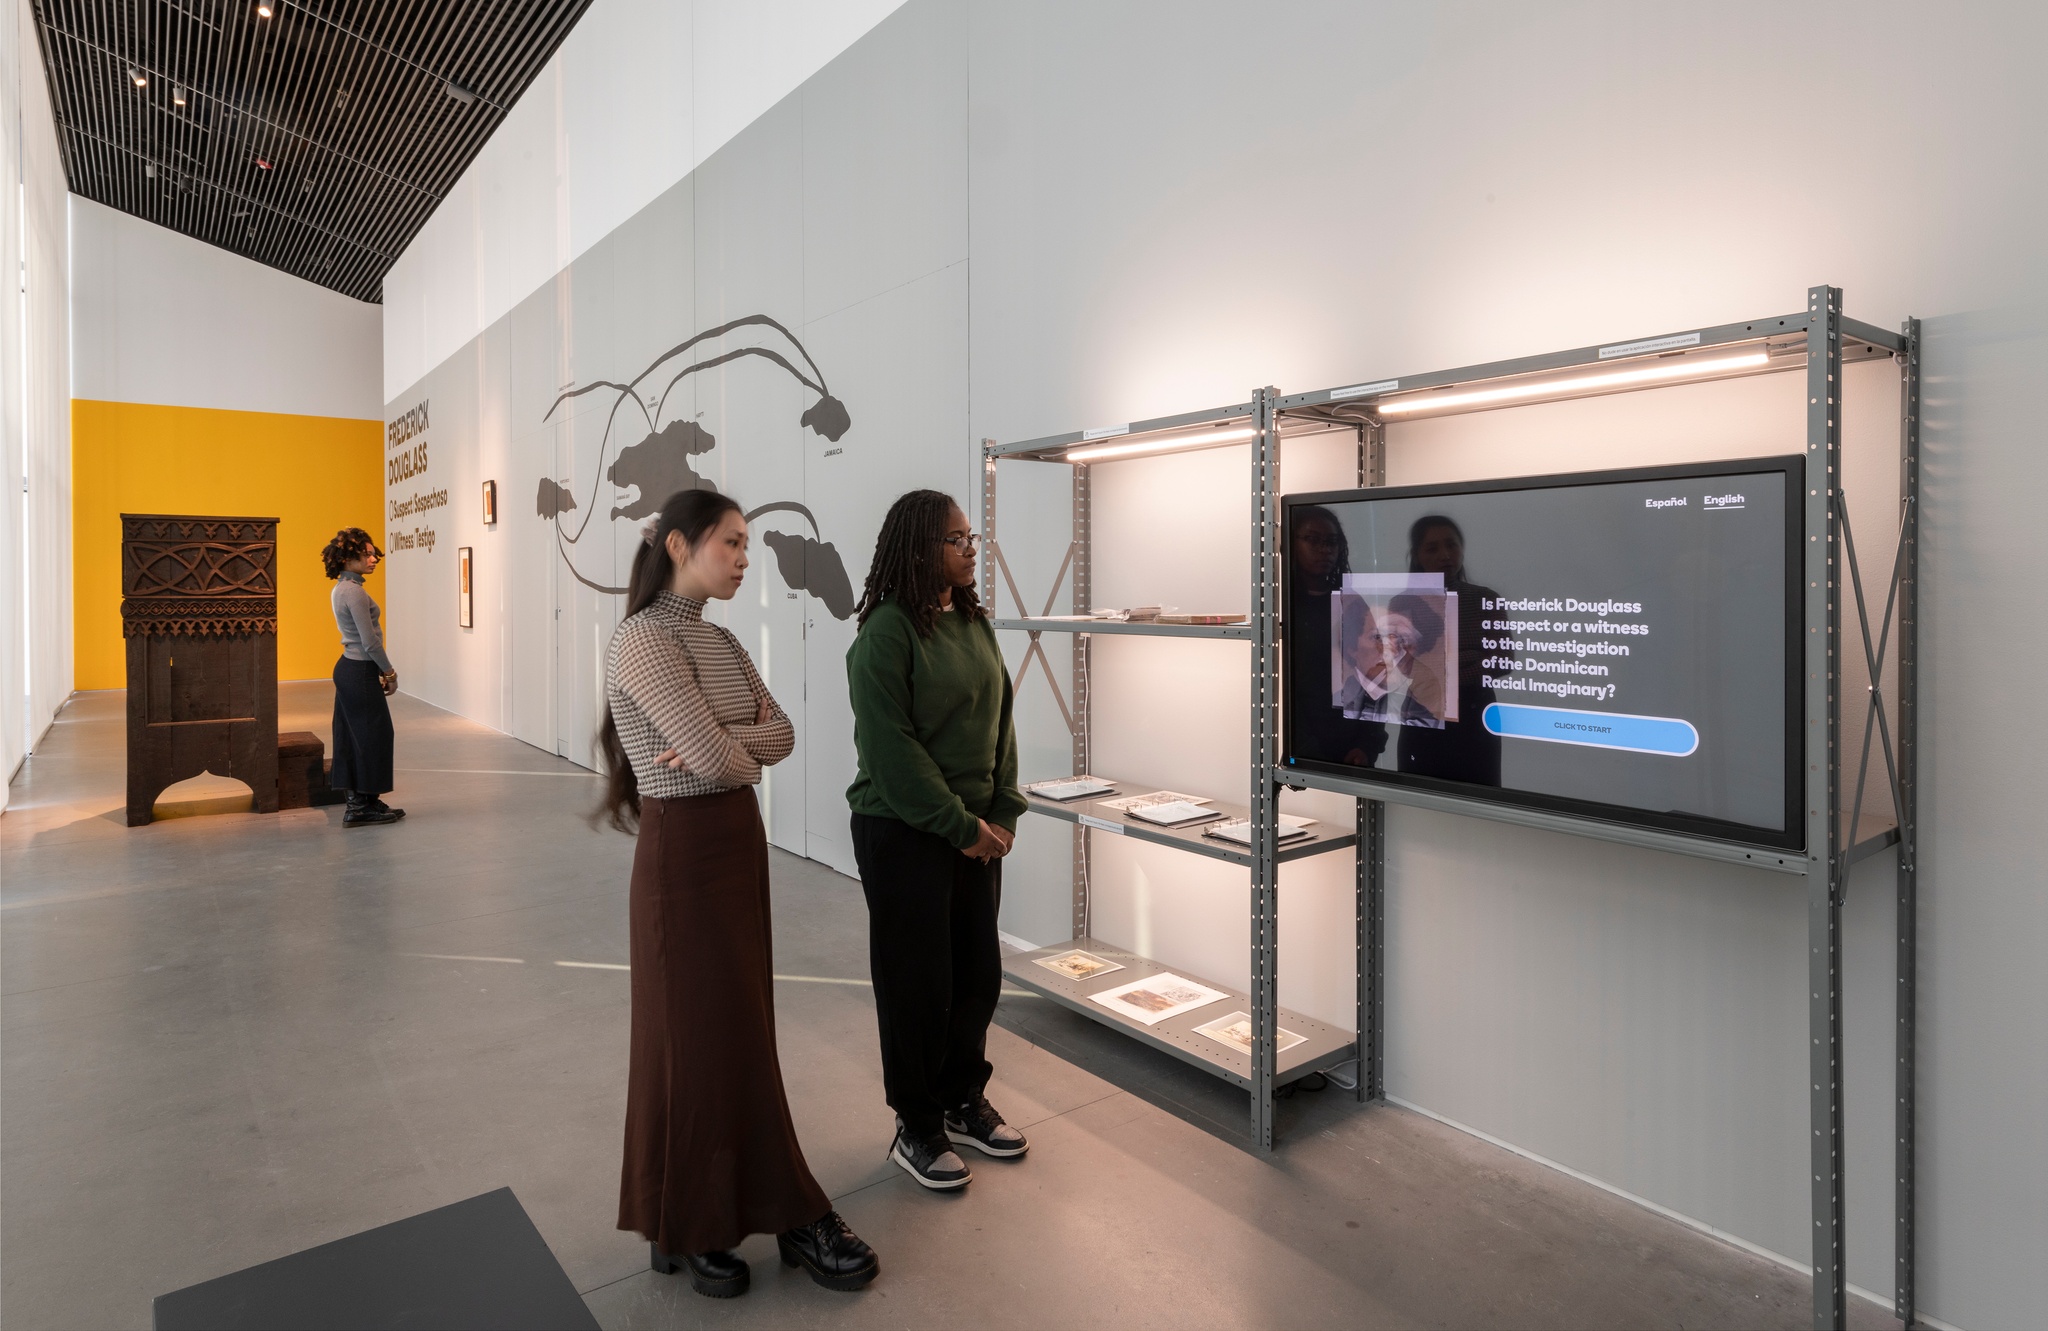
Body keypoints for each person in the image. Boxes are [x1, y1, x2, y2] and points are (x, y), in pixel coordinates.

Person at [598, 488, 877, 1299]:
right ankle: (687, 1219)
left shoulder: (716, 639)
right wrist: (728, 746)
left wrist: (727, 744)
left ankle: (696, 1214)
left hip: (732, 846)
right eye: (732, 542)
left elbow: (780, 733)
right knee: (690, 1041)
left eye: (747, 544)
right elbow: (718, 756)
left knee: (738, 1030)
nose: (745, 558)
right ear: (680, 546)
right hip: (682, 856)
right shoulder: (642, 642)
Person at [845, 489, 1030, 1191]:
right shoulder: (887, 632)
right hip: (904, 831)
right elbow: (893, 753)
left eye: (970, 536)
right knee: (917, 985)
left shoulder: (973, 621)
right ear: (922, 547)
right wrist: (961, 826)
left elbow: (1001, 720)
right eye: (956, 538)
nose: (969, 547)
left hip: (975, 833)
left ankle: (961, 1099)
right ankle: (915, 1126)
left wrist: (1004, 807)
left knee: (976, 976)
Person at [1396, 515, 1502, 784]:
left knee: (1481, 801)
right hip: (1423, 715)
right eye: (1432, 548)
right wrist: (1469, 658)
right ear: (1417, 555)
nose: (1445, 555)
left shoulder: (1485, 598)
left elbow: (1501, 661)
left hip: (1474, 715)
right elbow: (1404, 666)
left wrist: (1439, 670)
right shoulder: (1403, 603)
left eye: (1451, 546)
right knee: (1416, 798)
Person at [322, 528, 405, 827]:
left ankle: (365, 800)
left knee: (354, 737)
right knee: (374, 736)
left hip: (351, 668)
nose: (373, 558)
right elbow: (369, 642)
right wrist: (389, 672)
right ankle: (359, 806)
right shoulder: (352, 591)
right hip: (359, 670)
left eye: (373, 553)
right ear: (347, 558)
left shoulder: (344, 588)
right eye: (366, 554)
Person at [1291, 506, 1385, 769]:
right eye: (1312, 539)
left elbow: (1376, 675)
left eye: (1331, 542)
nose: (1324, 549)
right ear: (1290, 543)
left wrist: (1368, 744)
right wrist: (1306, 750)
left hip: (1351, 746)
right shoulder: (1282, 604)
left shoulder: (1352, 603)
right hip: (1297, 747)